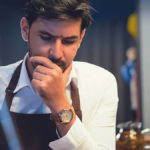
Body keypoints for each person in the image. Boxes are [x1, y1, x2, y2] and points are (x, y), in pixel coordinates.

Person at [0, 0, 119, 149]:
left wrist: (59, 104)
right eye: (46, 37)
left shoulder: (100, 83)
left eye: (68, 41)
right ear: (25, 29)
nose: (56, 54)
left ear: (81, 37)